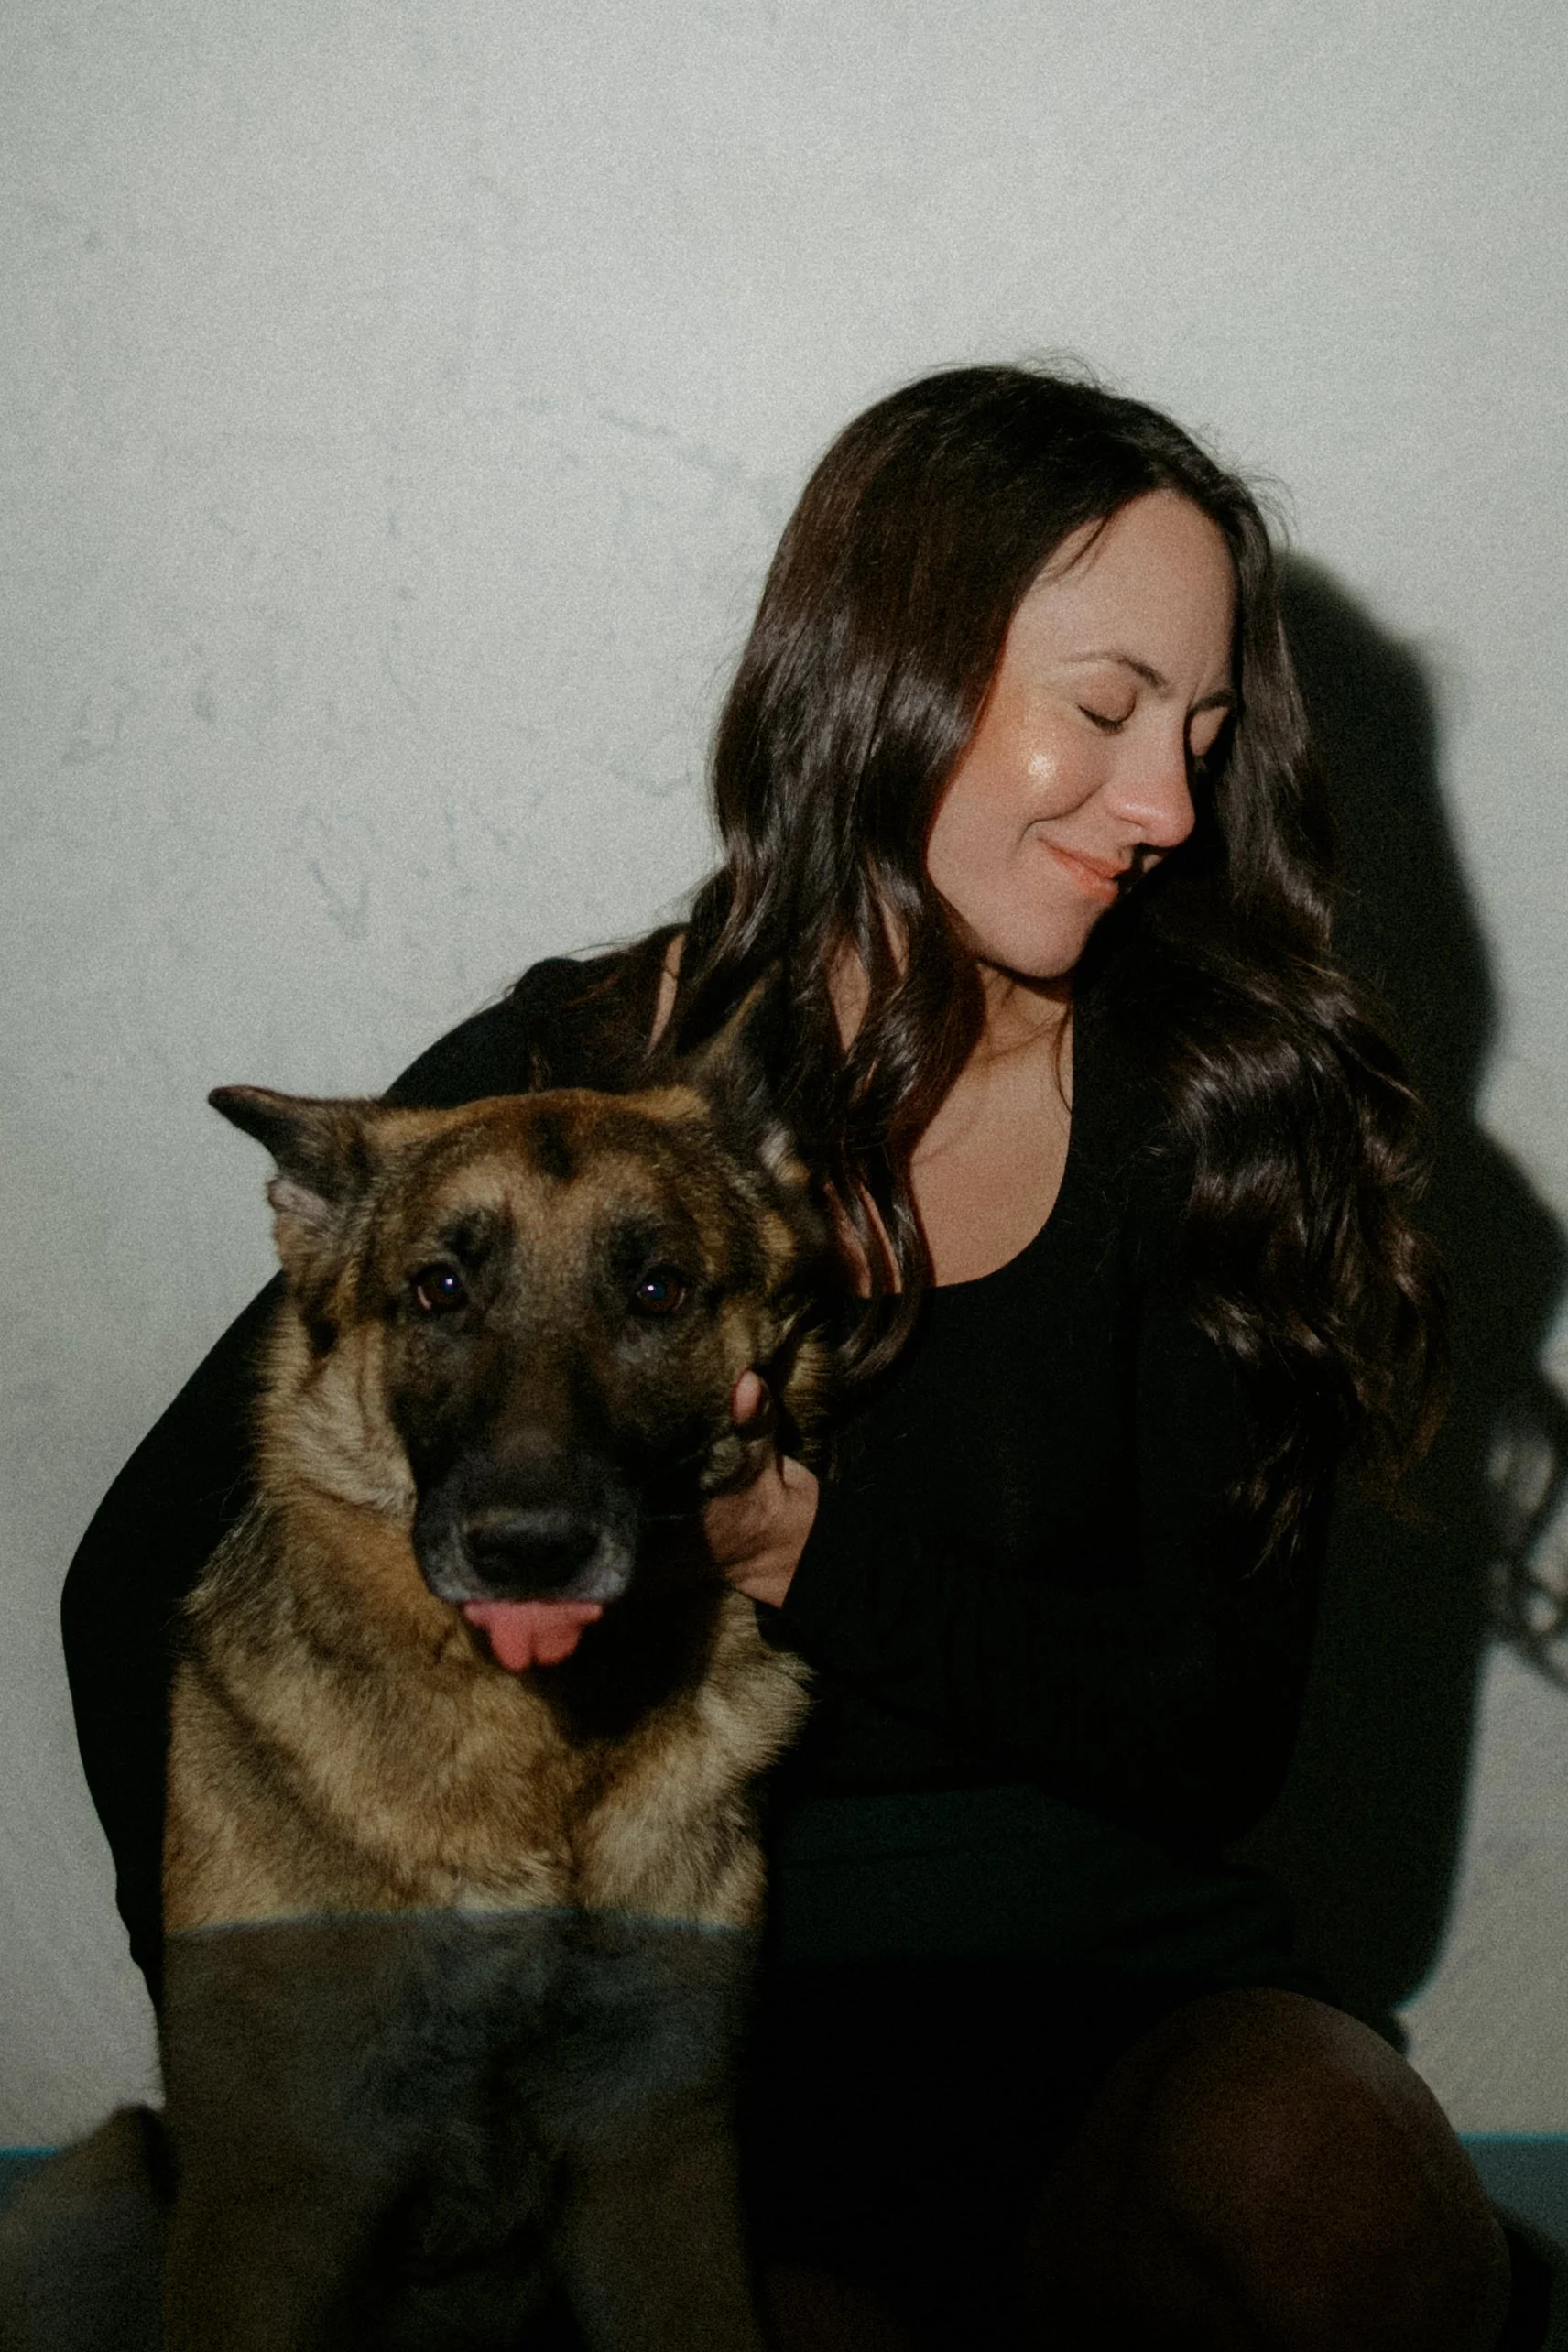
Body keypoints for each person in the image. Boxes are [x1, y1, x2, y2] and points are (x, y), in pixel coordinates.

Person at [63, 367, 1530, 2350]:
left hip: (1122, 2045)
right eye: (1101, 714)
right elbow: (131, 1576)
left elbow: (1209, 1742)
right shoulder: (556, 1098)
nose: (1170, 807)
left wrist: (787, 1543)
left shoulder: (1220, 1111)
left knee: (1332, 2177)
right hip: (727, 2092)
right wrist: (273, 2071)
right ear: (892, 673)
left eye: (1200, 733)